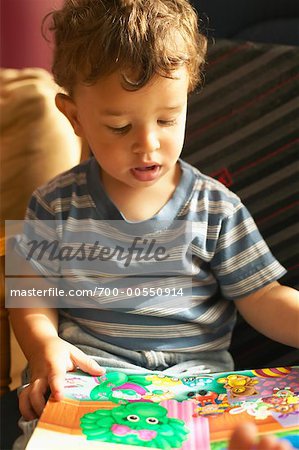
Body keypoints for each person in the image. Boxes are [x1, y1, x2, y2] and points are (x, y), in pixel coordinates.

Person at [8, 0, 298, 449]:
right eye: (120, 126)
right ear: (74, 116)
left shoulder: (215, 206)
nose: (148, 144)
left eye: (167, 119)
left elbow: (262, 296)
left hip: (199, 386)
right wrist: (43, 345)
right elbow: (28, 293)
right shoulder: (53, 204)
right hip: (93, 379)